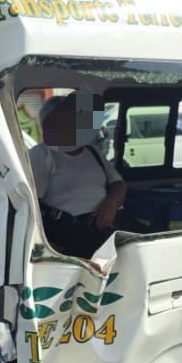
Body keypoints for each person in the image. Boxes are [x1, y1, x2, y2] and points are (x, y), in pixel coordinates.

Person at [29, 93, 125, 260]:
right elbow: (31, 205)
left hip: (108, 228)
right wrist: (45, 243)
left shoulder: (93, 151)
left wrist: (111, 203)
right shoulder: (42, 154)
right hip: (70, 234)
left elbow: (118, 184)